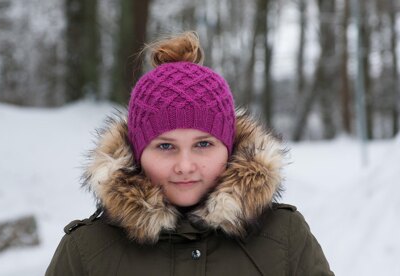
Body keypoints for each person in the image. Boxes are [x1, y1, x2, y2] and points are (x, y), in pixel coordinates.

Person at [46, 31, 334, 276]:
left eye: (203, 145)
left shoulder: (284, 237)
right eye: (165, 146)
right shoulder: (86, 251)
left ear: (230, 148)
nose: (185, 166)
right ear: (136, 153)